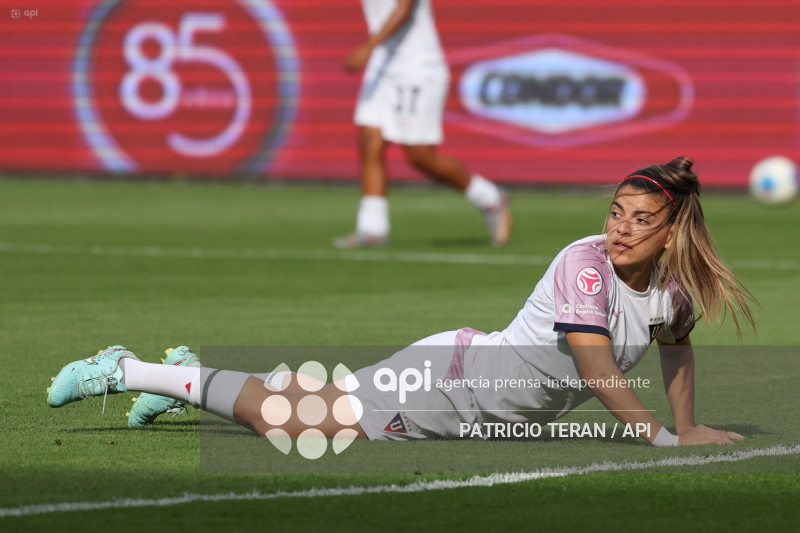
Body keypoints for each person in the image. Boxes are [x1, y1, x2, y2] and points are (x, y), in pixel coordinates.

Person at [48, 156, 754, 446]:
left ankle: (184, 372)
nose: (620, 228)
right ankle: (128, 367)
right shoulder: (586, 265)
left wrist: (686, 424)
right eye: (615, 211)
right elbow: (598, 365)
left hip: (479, 409)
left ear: (672, 234)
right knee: (296, 422)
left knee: (302, 408)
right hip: (451, 382)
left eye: (640, 219)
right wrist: (656, 436)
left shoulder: (674, 291)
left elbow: (677, 348)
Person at [333, 0, 511, 248]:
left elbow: (404, 7)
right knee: (370, 141)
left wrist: (368, 47)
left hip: (417, 68)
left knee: (420, 156)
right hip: (383, 65)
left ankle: (489, 198)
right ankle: (372, 228)